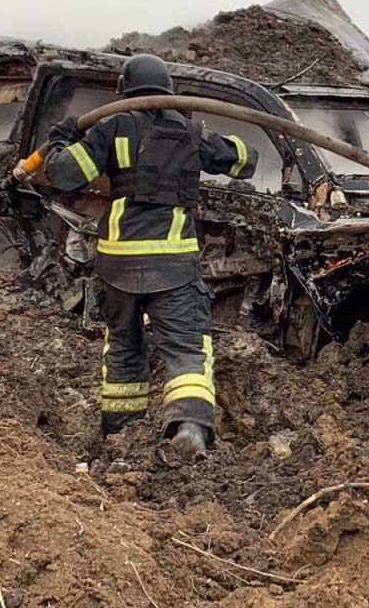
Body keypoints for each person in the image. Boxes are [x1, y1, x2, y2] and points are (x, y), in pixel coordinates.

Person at [41, 54, 259, 460]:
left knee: (123, 347)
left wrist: (61, 140)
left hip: (118, 264)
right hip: (173, 266)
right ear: (168, 90)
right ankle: (190, 426)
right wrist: (216, 140)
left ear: (125, 90)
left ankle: (120, 436)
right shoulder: (190, 133)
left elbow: (63, 174)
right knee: (186, 348)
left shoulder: (110, 128)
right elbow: (246, 162)